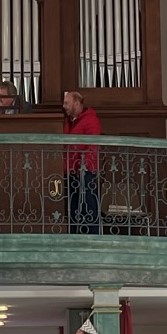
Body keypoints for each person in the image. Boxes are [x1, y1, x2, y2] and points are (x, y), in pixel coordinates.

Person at [62, 91, 102, 234]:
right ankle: (75, 234)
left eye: (67, 103)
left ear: (77, 103)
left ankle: (92, 236)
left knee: (89, 204)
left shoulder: (90, 120)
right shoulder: (68, 121)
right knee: (73, 205)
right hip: (71, 169)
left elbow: (92, 144)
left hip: (85, 169)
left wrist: (83, 165)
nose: (64, 106)